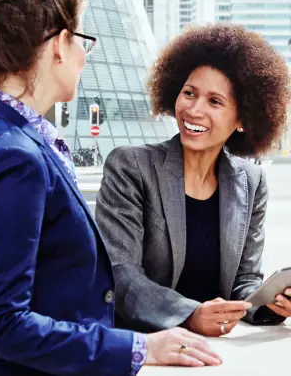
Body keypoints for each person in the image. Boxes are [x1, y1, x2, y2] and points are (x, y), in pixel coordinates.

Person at [0, 0, 221, 376]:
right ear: (57, 45)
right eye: (82, 41)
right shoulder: (15, 157)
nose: (85, 56)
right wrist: (138, 347)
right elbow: (2, 323)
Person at [95, 24, 291, 338]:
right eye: (189, 93)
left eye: (215, 102)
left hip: (215, 350)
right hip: (145, 345)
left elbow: (245, 282)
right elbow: (121, 274)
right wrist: (189, 315)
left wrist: (269, 303)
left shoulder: (251, 181)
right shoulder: (131, 166)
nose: (194, 110)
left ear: (242, 120)